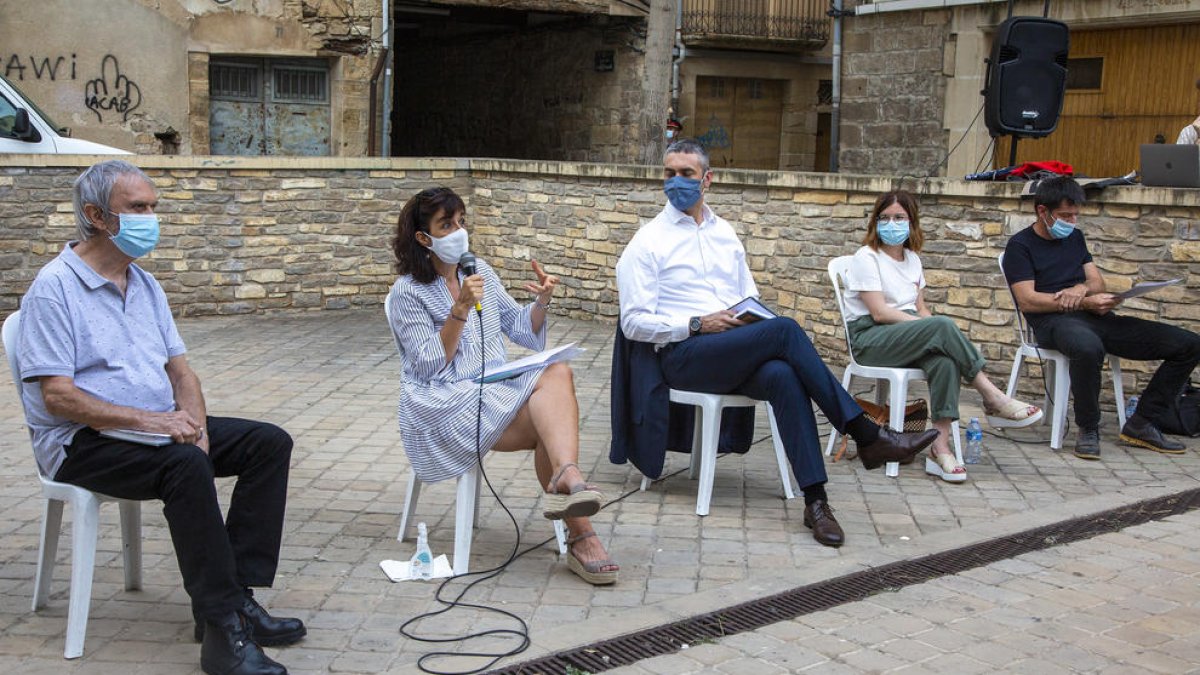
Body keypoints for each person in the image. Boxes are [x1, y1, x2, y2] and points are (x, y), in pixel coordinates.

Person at [15, 160, 302, 675]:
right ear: (96, 216)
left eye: (154, 207)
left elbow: (181, 372)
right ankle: (221, 630)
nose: (152, 218)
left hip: (153, 431)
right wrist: (162, 427)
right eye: (139, 208)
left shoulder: (144, 284)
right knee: (183, 466)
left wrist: (194, 425)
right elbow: (58, 398)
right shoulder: (53, 289)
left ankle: (235, 597)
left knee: (268, 443)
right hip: (82, 444)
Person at [614, 138, 939, 548]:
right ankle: (865, 433)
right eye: (669, 173)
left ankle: (816, 502)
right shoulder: (647, 241)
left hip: (731, 349)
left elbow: (748, 298)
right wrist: (696, 324)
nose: (676, 182)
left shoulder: (725, 233)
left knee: (783, 374)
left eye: (686, 174)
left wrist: (746, 321)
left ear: (707, 180)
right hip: (683, 355)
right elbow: (633, 324)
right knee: (785, 330)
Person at [387, 187, 618, 585]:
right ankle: (582, 531)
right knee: (552, 415)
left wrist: (542, 302)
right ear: (424, 238)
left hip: (494, 387)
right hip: (445, 402)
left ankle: (567, 477)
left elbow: (522, 332)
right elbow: (427, 366)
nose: (459, 232)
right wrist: (458, 311)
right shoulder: (407, 292)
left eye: (461, 222)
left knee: (557, 373)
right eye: (447, 225)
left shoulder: (480, 273)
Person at [842, 190, 1043, 483]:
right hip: (871, 339)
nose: (891, 223)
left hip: (905, 335)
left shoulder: (912, 259)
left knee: (944, 361)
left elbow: (920, 308)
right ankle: (993, 397)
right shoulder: (866, 257)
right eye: (884, 218)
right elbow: (880, 313)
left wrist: (931, 329)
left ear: (911, 223)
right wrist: (931, 328)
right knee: (942, 326)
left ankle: (940, 447)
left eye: (899, 217)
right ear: (875, 222)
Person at [1003, 176, 1200, 460]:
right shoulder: (1020, 246)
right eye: (1064, 215)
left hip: (1096, 318)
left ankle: (1143, 421)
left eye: (1075, 215)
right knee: (1087, 346)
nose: (1071, 221)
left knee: (1189, 344)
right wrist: (1080, 300)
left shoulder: (1075, 237)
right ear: (1042, 211)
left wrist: (1082, 290)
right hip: (1052, 322)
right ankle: (1088, 428)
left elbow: (1097, 283)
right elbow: (1027, 300)